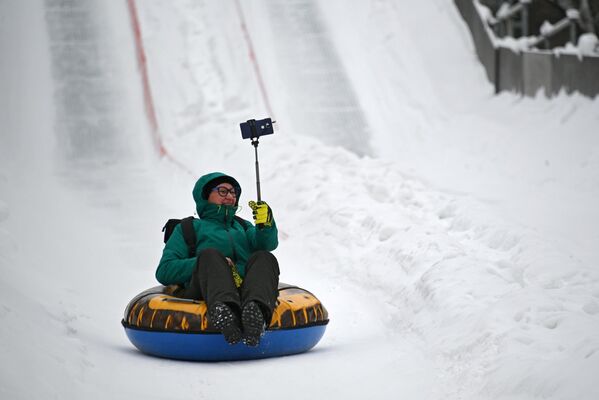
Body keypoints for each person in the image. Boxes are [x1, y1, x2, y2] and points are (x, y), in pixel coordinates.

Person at [156, 172, 280, 346]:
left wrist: (266, 224)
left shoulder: (243, 226)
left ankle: (255, 313)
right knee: (210, 255)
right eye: (222, 191)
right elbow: (165, 271)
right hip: (205, 290)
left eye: (233, 192)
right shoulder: (189, 228)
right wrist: (211, 263)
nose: (230, 196)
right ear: (206, 195)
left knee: (264, 257)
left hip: (245, 289)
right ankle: (225, 314)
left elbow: (267, 244)